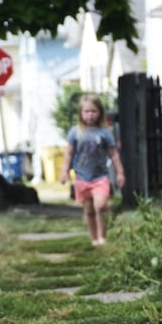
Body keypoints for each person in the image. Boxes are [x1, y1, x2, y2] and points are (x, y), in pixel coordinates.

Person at [62, 94, 125, 245]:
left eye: (94, 111)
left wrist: (120, 173)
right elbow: (69, 153)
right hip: (82, 177)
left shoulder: (104, 133)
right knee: (89, 210)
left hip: (100, 177)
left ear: (100, 113)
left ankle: (103, 237)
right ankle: (94, 238)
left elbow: (114, 154)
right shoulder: (75, 132)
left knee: (100, 206)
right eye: (87, 111)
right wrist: (65, 171)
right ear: (81, 113)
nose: (90, 115)